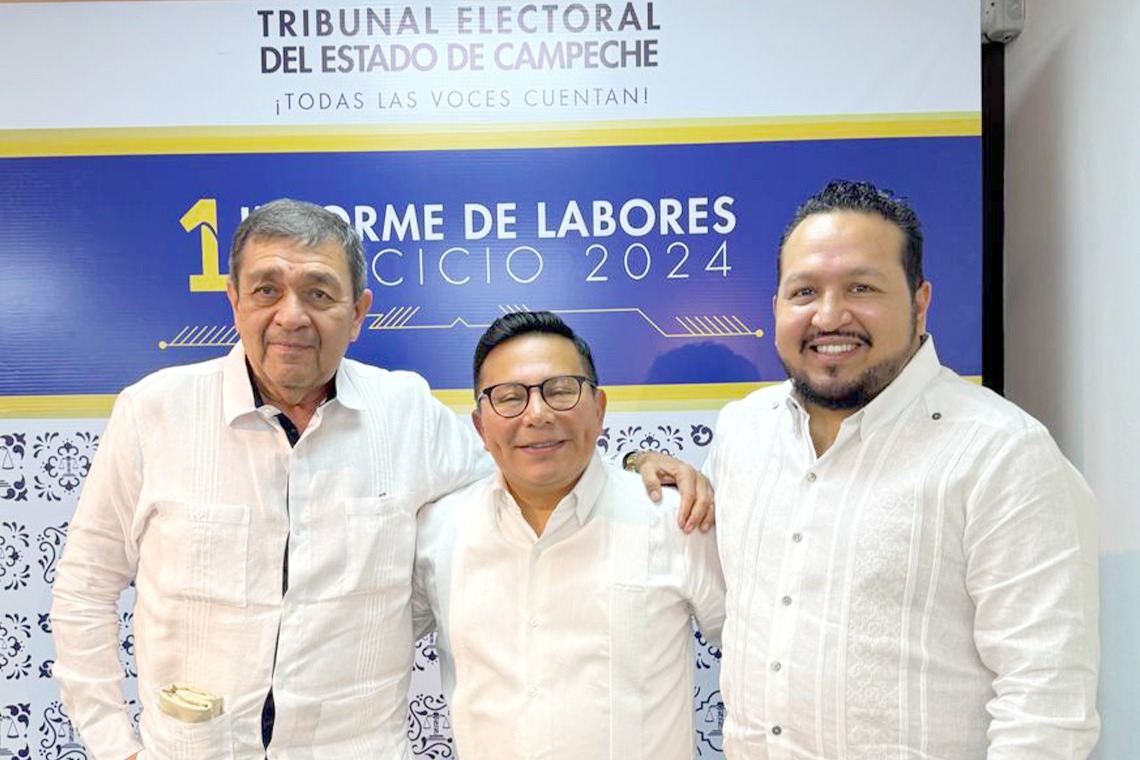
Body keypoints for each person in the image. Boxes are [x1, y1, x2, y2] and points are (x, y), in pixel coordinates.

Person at [50, 200, 711, 760]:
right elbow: (84, 589)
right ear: (234, 300)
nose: (291, 316)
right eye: (266, 289)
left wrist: (635, 465)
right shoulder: (154, 414)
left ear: (358, 310)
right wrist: (114, 745)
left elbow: (529, 459)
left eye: (319, 293)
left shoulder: (407, 414)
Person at [702, 180, 1100, 759]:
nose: (828, 316)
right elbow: (731, 615)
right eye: (804, 291)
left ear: (919, 302)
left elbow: (1046, 704)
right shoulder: (744, 432)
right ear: (777, 306)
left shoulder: (1000, 453)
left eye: (861, 287)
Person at [412, 311, 726, 760]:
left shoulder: (676, 520)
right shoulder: (439, 533)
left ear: (598, 410)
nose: (537, 414)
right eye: (509, 397)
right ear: (481, 427)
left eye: (560, 391)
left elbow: (758, 653)